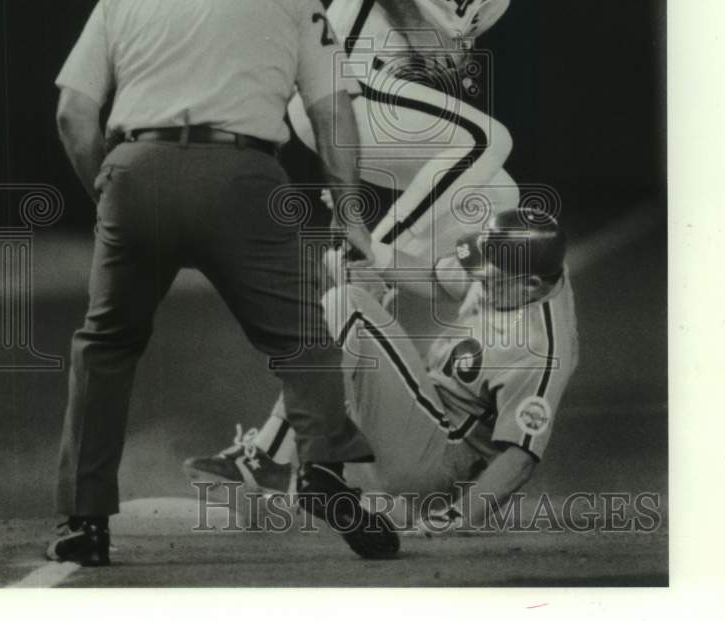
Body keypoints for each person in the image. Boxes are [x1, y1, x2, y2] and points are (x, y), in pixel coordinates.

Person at [47, 0, 399, 565]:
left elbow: (72, 113)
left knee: (105, 348)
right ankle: (323, 471)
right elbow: (333, 113)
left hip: (136, 169)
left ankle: (83, 523)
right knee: (303, 340)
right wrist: (351, 213)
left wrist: (110, 194)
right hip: (242, 176)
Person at [186, 207, 579, 531]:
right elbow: (436, 278)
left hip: (436, 461)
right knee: (345, 307)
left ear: (529, 286)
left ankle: (271, 459)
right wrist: (371, 250)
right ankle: (278, 483)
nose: (477, 275)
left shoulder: (541, 349)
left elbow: (520, 459)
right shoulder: (516, 273)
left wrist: (455, 519)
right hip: (420, 423)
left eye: (488, 273)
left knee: (348, 305)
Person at [285, 0, 568, 266]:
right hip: (340, 87)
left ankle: (370, 281)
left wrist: (457, 64)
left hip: (377, 108)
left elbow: (440, 63)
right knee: (489, 139)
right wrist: (416, 27)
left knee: (499, 195)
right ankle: (365, 254)